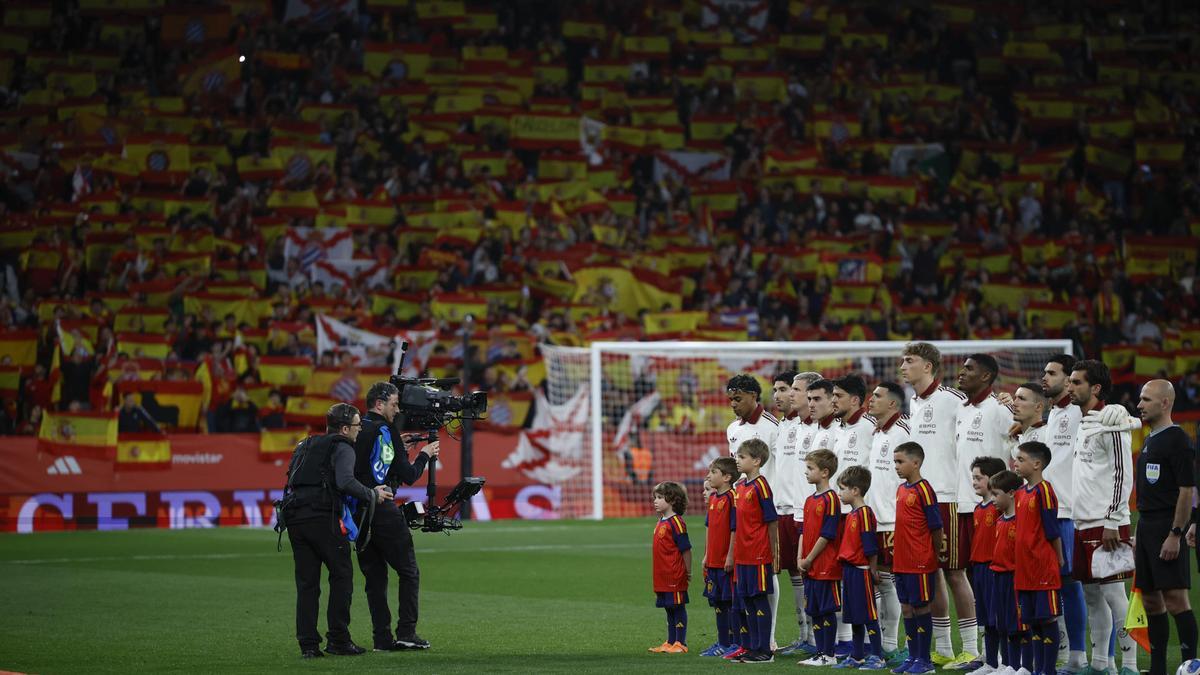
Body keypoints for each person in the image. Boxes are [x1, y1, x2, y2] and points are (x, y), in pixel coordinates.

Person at [283, 403, 392, 658]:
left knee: (307, 584)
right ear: (344, 429)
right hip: (323, 517)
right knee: (342, 576)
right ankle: (339, 640)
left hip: (295, 517)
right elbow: (345, 481)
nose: (359, 430)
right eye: (357, 426)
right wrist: (371, 494)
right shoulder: (343, 447)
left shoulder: (305, 445)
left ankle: (308, 645)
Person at [352, 382, 441, 652]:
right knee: (409, 571)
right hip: (383, 508)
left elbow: (364, 465)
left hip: (359, 511)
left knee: (375, 578)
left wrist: (396, 446)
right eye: (393, 403)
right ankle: (406, 632)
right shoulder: (386, 429)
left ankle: (381, 638)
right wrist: (425, 455)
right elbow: (409, 475)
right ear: (379, 404)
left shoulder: (360, 428)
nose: (397, 409)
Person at [900, 342, 971, 666]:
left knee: (955, 572)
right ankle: (942, 647)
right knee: (932, 575)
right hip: (919, 498)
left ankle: (971, 646)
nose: (903, 366)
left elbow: (981, 417)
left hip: (948, 496)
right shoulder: (913, 403)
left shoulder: (954, 400)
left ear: (928, 366)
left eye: (909, 360)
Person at [1067, 360, 1138, 675]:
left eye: (1077, 382)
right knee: (1092, 596)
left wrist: (1113, 520)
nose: (1070, 387)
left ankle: (1131, 666)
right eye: (1070, 381)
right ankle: (1100, 664)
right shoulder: (1085, 422)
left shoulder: (1113, 422)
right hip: (1082, 523)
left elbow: (1124, 474)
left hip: (1107, 522)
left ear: (1095, 388)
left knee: (1115, 596)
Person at [952, 354, 1014, 667]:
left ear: (987, 376)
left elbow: (1017, 448)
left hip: (994, 509)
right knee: (977, 581)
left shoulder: (1001, 409)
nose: (961, 373)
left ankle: (1005, 658)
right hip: (966, 505)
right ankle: (986, 657)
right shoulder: (960, 409)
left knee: (997, 584)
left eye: (969, 369)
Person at [1133, 380, 1198, 675]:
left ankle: (1191, 666)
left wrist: (1176, 533)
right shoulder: (1150, 438)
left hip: (1167, 526)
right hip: (1147, 525)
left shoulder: (1178, 440)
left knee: (1175, 599)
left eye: (1146, 399)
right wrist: (1141, 532)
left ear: (1165, 403)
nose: (1139, 404)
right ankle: (1158, 669)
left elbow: (1186, 491)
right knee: (1150, 599)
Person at [1041, 354, 1087, 674]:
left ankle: (1082, 656)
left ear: (1070, 378)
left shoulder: (1079, 413)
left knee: (1072, 585)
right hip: (1047, 511)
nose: (1045, 377)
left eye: (1052, 373)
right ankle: (1064, 651)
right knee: (1051, 584)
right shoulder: (1053, 413)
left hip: (1069, 511)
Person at [890, 441, 945, 675]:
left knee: (921, 607)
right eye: (895, 462)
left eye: (900, 462)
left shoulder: (925, 489)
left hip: (920, 560)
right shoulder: (901, 489)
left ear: (916, 462)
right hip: (901, 560)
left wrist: (930, 553)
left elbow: (936, 526)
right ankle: (913, 657)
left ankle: (925, 661)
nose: (896, 466)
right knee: (907, 607)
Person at [779, 371, 823, 657]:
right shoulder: (792, 426)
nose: (790, 394)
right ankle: (806, 634)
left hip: (817, 511)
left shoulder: (821, 430)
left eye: (796, 389)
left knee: (822, 574)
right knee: (798, 571)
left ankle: (827, 639)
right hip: (793, 508)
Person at [725, 438, 780, 663]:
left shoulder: (761, 486)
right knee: (747, 600)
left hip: (758, 553)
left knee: (759, 600)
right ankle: (753, 647)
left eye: (742, 457)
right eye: (737, 456)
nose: (737, 460)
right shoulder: (740, 487)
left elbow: (771, 520)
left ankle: (765, 650)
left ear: (756, 461)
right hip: (743, 554)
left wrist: (773, 551)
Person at [1013, 441, 1065, 675]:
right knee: (1032, 620)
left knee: (1047, 619)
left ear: (1036, 464)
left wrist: (1059, 559)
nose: (1016, 463)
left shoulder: (1045, 490)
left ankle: (1048, 669)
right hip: (1024, 568)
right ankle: (1037, 669)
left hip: (1042, 565)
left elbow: (1052, 529)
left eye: (1021, 459)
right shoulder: (1020, 493)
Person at [868, 382, 910, 663]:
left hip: (894, 521)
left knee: (893, 583)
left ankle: (893, 645)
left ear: (893, 404)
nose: (871, 399)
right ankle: (884, 644)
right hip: (874, 519)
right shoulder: (876, 431)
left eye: (878, 396)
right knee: (878, 581)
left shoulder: (904, 432)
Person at [835, 465, 887, 669]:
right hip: (849, 570)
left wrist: (872, 570)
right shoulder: (852, 514)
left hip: (861, 571)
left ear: (855, 490)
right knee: (854, 616)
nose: (839, 493)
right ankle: (857, 655)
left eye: (842, 489)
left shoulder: (864, 513)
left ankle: (877, 656)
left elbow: (871, 546)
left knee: (868, 615)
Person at [798, 448, 842, 667]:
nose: (806, 472)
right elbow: (804, 531)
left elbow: (827, 534)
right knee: (814, 609)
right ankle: (819, 652)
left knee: (826, 610)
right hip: (808, 564)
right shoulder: (809, 500)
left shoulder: (831, 498)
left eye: (810, 468)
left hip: (825, 564)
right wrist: (800, 558)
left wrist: (809, 558)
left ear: (825, 472)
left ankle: (829, 654)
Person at [769, 370, 803, 654]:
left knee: (808, 573)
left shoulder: (810, 426)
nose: (780, 395)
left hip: (801, 509)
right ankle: (805, 635)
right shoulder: (781, 425)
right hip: (782, 508)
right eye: (777, 390)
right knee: (792, 571)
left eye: (785, 389)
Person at [990, 470, 1034, 674]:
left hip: (1016, 578)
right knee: (1005, 625)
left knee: (1020, 625)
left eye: (996, 494)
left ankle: (1024, 666)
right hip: (999, 577)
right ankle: (1009, 664)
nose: (993, 500)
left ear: (1011, 493)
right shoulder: (1000, 520)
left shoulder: (1021, 521)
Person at [967, 456, 1007, 675]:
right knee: (985, 619)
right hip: (979, 568)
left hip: (994, 568)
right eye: (973, 477)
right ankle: (990, 662)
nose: (974, 482)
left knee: (998, 618)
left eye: (979, 478)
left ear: (993, 480)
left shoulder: (999, 509)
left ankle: (1004, 661)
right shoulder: (978, 508)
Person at [699, 457, 739, 657]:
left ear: (726, 477)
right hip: (713, 560)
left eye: (713, 472)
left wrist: (730, 556)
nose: (709, 476)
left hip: (725, 561)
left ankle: (733, 642)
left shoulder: (732, 497)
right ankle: (722, 641)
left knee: (729, 602)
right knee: (717, 603)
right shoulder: (714, 498)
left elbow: (734, 529)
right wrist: (707, 554)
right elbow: (709, 527)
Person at [649, 481, 692, 654]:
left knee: (678, 607)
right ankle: (670, 641)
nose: (655, 501)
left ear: (672, 501)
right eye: (655, 498)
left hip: (674, 574)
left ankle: (680, 643)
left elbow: (686, 549)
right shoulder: (661, 521)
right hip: (662, 575)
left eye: (660, 497)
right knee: (668, 608)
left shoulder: (677, 522)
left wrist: (687, 571)